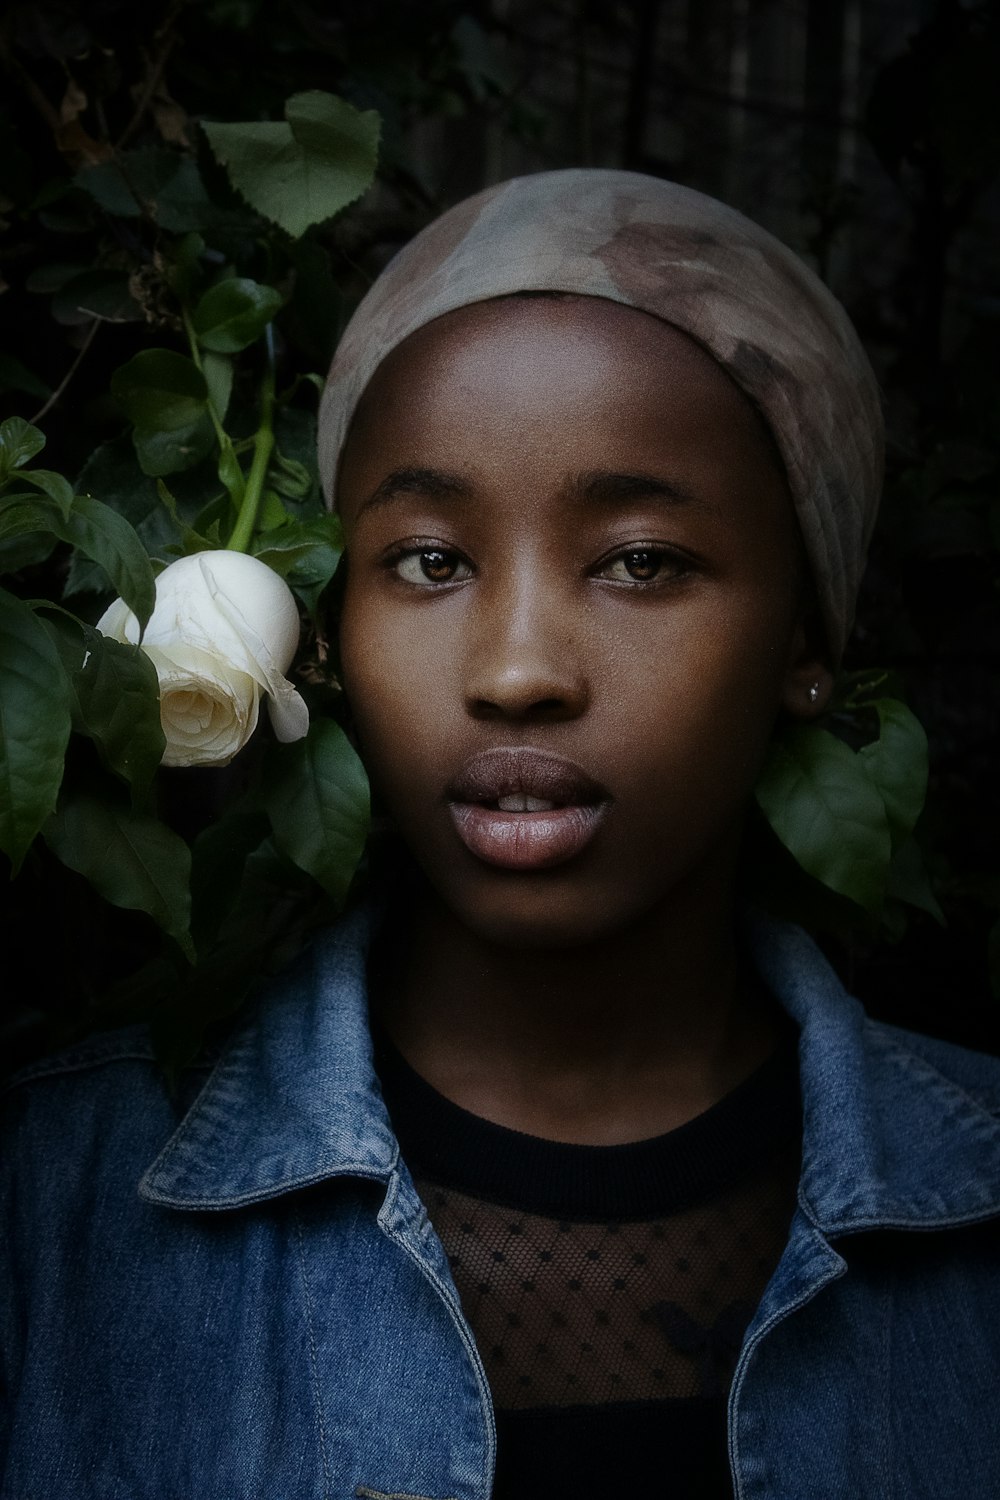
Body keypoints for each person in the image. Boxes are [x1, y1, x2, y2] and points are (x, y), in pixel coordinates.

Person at [3, 169, 999, 1499]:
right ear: (336, 626)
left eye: (639, 560)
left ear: (809, 634)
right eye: (429, 561)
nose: (518, 670)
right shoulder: (56, 1195)